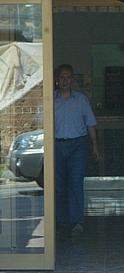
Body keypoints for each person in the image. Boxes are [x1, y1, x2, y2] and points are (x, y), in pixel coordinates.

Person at [54, 64, 101, 236]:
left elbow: (90, 124)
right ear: (57, 80)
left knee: (75, 183)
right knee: (58, 186)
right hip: (57, 145)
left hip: (77, 146)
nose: (65, 80)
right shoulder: (50, 99)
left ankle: (77, 222)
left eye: (68, 77)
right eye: (62, 77)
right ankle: (61, 222)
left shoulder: (81, 99)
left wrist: (95, 147)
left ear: (73, 80)